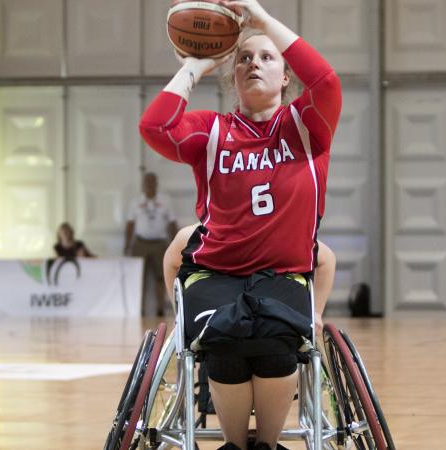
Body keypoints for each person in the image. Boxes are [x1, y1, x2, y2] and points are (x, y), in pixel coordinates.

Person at [138, 1, 341, 448]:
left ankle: (266, 445)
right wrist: (195, 66)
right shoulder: (211, 131)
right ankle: (234, 444)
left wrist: (260, 19)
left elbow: (326, 80)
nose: (254, 63)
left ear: (286, 77)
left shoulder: (308, 127)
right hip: (216, 272)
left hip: (283, 274)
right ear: (233, 77)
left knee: (275, 339)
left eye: (268, 58)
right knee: (224, 338)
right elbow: (155, 127)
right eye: (245, 58)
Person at [163, 223, 336, 336]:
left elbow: (327, 259)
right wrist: (179, 313)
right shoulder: (194, 235)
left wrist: (316, 313)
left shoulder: (282, 232)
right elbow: (170, 262)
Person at [124, 172, 177, 316]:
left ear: (156, 183)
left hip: (160, 244)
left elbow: (172, 223)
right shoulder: (135, 202)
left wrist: (175, 243)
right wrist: (127, 244)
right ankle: (138, 309)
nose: (150, 185)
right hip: (141, 243)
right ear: (143, 185)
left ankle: (160, 308)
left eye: (152, 182)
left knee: (161, 277)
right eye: (147, 182)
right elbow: (130, 224)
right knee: (139, 277)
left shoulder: (165, 201)